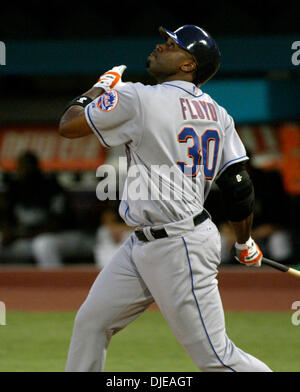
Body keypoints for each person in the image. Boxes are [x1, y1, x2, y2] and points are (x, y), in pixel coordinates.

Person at [59, 25, 271, 372]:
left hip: (179, 245)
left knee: (217, 359)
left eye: (172, 45)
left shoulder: (139, 97)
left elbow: (68, 125)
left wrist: (98, 88)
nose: (160, 46)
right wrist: (245, 242)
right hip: (143, 244)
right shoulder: (218, 112)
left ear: (189, 64)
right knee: (91, 324)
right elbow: (237, 184)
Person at [0, 151, 94, 268]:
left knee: (43, 244)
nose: (23, 171)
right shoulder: (14, 189)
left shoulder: (51, 187)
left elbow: (56, 225)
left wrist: (21, 234)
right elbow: (6, 219)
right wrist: (8, 231)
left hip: (65, 235)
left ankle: (55, 285)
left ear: (36, 167)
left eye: (27, 167)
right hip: (25, 239)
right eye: (20, 167)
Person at [94, 201, 132, 269]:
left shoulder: (132, 213)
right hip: (108, 247)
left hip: (126, 245)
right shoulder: (103, 230)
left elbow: (138, 225)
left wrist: (121, 229)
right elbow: (107, 222)